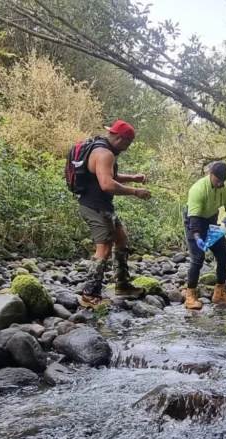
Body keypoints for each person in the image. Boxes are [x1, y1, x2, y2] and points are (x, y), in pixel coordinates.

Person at [78, 120, 152, 305]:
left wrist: (133, 177)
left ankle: (123, 285)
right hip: (95, 207)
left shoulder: (100, 148)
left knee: (121, 240)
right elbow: (107, 184)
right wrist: (135, 192)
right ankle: (89, 294)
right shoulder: (105, 154)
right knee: (104, 248)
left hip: (103, 206)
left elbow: (108, 174)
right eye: (126, 144)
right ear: (118, 138)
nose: (126, 148)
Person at [183, 161, 226, 310]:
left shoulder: (225, 188)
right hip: (193, 221)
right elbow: (194, 219)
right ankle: (190, 296)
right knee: (198, 259)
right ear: (211, 174)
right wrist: (197, 238)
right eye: (217, 180)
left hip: (211, 222)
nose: (219, 184)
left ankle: (219, 293)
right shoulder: (198, 189)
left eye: (222, 181)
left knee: (224, 256)